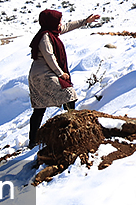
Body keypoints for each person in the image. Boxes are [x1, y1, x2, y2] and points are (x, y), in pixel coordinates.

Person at [28, 8, 100, 148]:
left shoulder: (50, 32)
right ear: (51, 22)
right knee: (68, 94)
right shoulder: (45, 37)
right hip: (43, 75)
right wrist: (60, 73)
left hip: (40, 74)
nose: (61, 24)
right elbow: (50, 57)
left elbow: (67, 26)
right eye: (58, 21)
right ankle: (72, 126)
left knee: (40, 108)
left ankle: (33, 140)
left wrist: (85, 21)